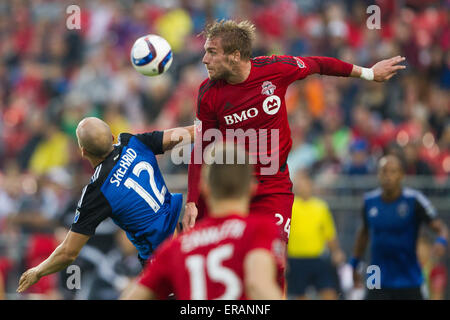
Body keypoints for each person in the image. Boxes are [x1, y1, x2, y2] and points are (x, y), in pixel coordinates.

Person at [182, 19, 407, 247]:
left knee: (274, 259)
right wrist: (192, 201)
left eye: (212, 52)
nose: (204, 59)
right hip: (233, 187)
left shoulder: (275, 69)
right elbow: (202, 148)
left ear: (235, 55)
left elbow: (319, 64)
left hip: (273, 187)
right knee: (216, 254)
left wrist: (369, 73)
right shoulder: (208, 93)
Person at [17, 117, 194, 293]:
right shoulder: (132, 142)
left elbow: (68, 253)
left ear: (83, 152)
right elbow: (183, 134)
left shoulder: (97, 191)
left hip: (161, 259)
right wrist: (212, 128)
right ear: (111, 137)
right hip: (186, 236)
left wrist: (37, 271)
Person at [121, 144, 284, 300]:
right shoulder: (260, 230)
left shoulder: (176, 247)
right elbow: (257, 285)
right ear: (252, 187)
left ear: (204, 188)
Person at [350, 154, 448, 300]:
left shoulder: (414, 200)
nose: (388, 176)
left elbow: (441, 228)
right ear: (378, 174)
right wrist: (355, 263)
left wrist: (441, 241)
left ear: (402, 175)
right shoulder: (369, 201)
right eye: (384, 171)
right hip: (375, 272)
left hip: (407, 274)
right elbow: (364, 233)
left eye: (393, 171)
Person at [286, 170, 345, 300]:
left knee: (330, 293)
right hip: (295, 259)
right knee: (300, 296)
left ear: (310, 184)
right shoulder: (289, 206)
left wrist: (336, 252)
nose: (301, 186)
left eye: (304, 182)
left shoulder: (321, 207)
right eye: (299, 182)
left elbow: (329, 234)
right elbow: (283, 235)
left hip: (317, 258)